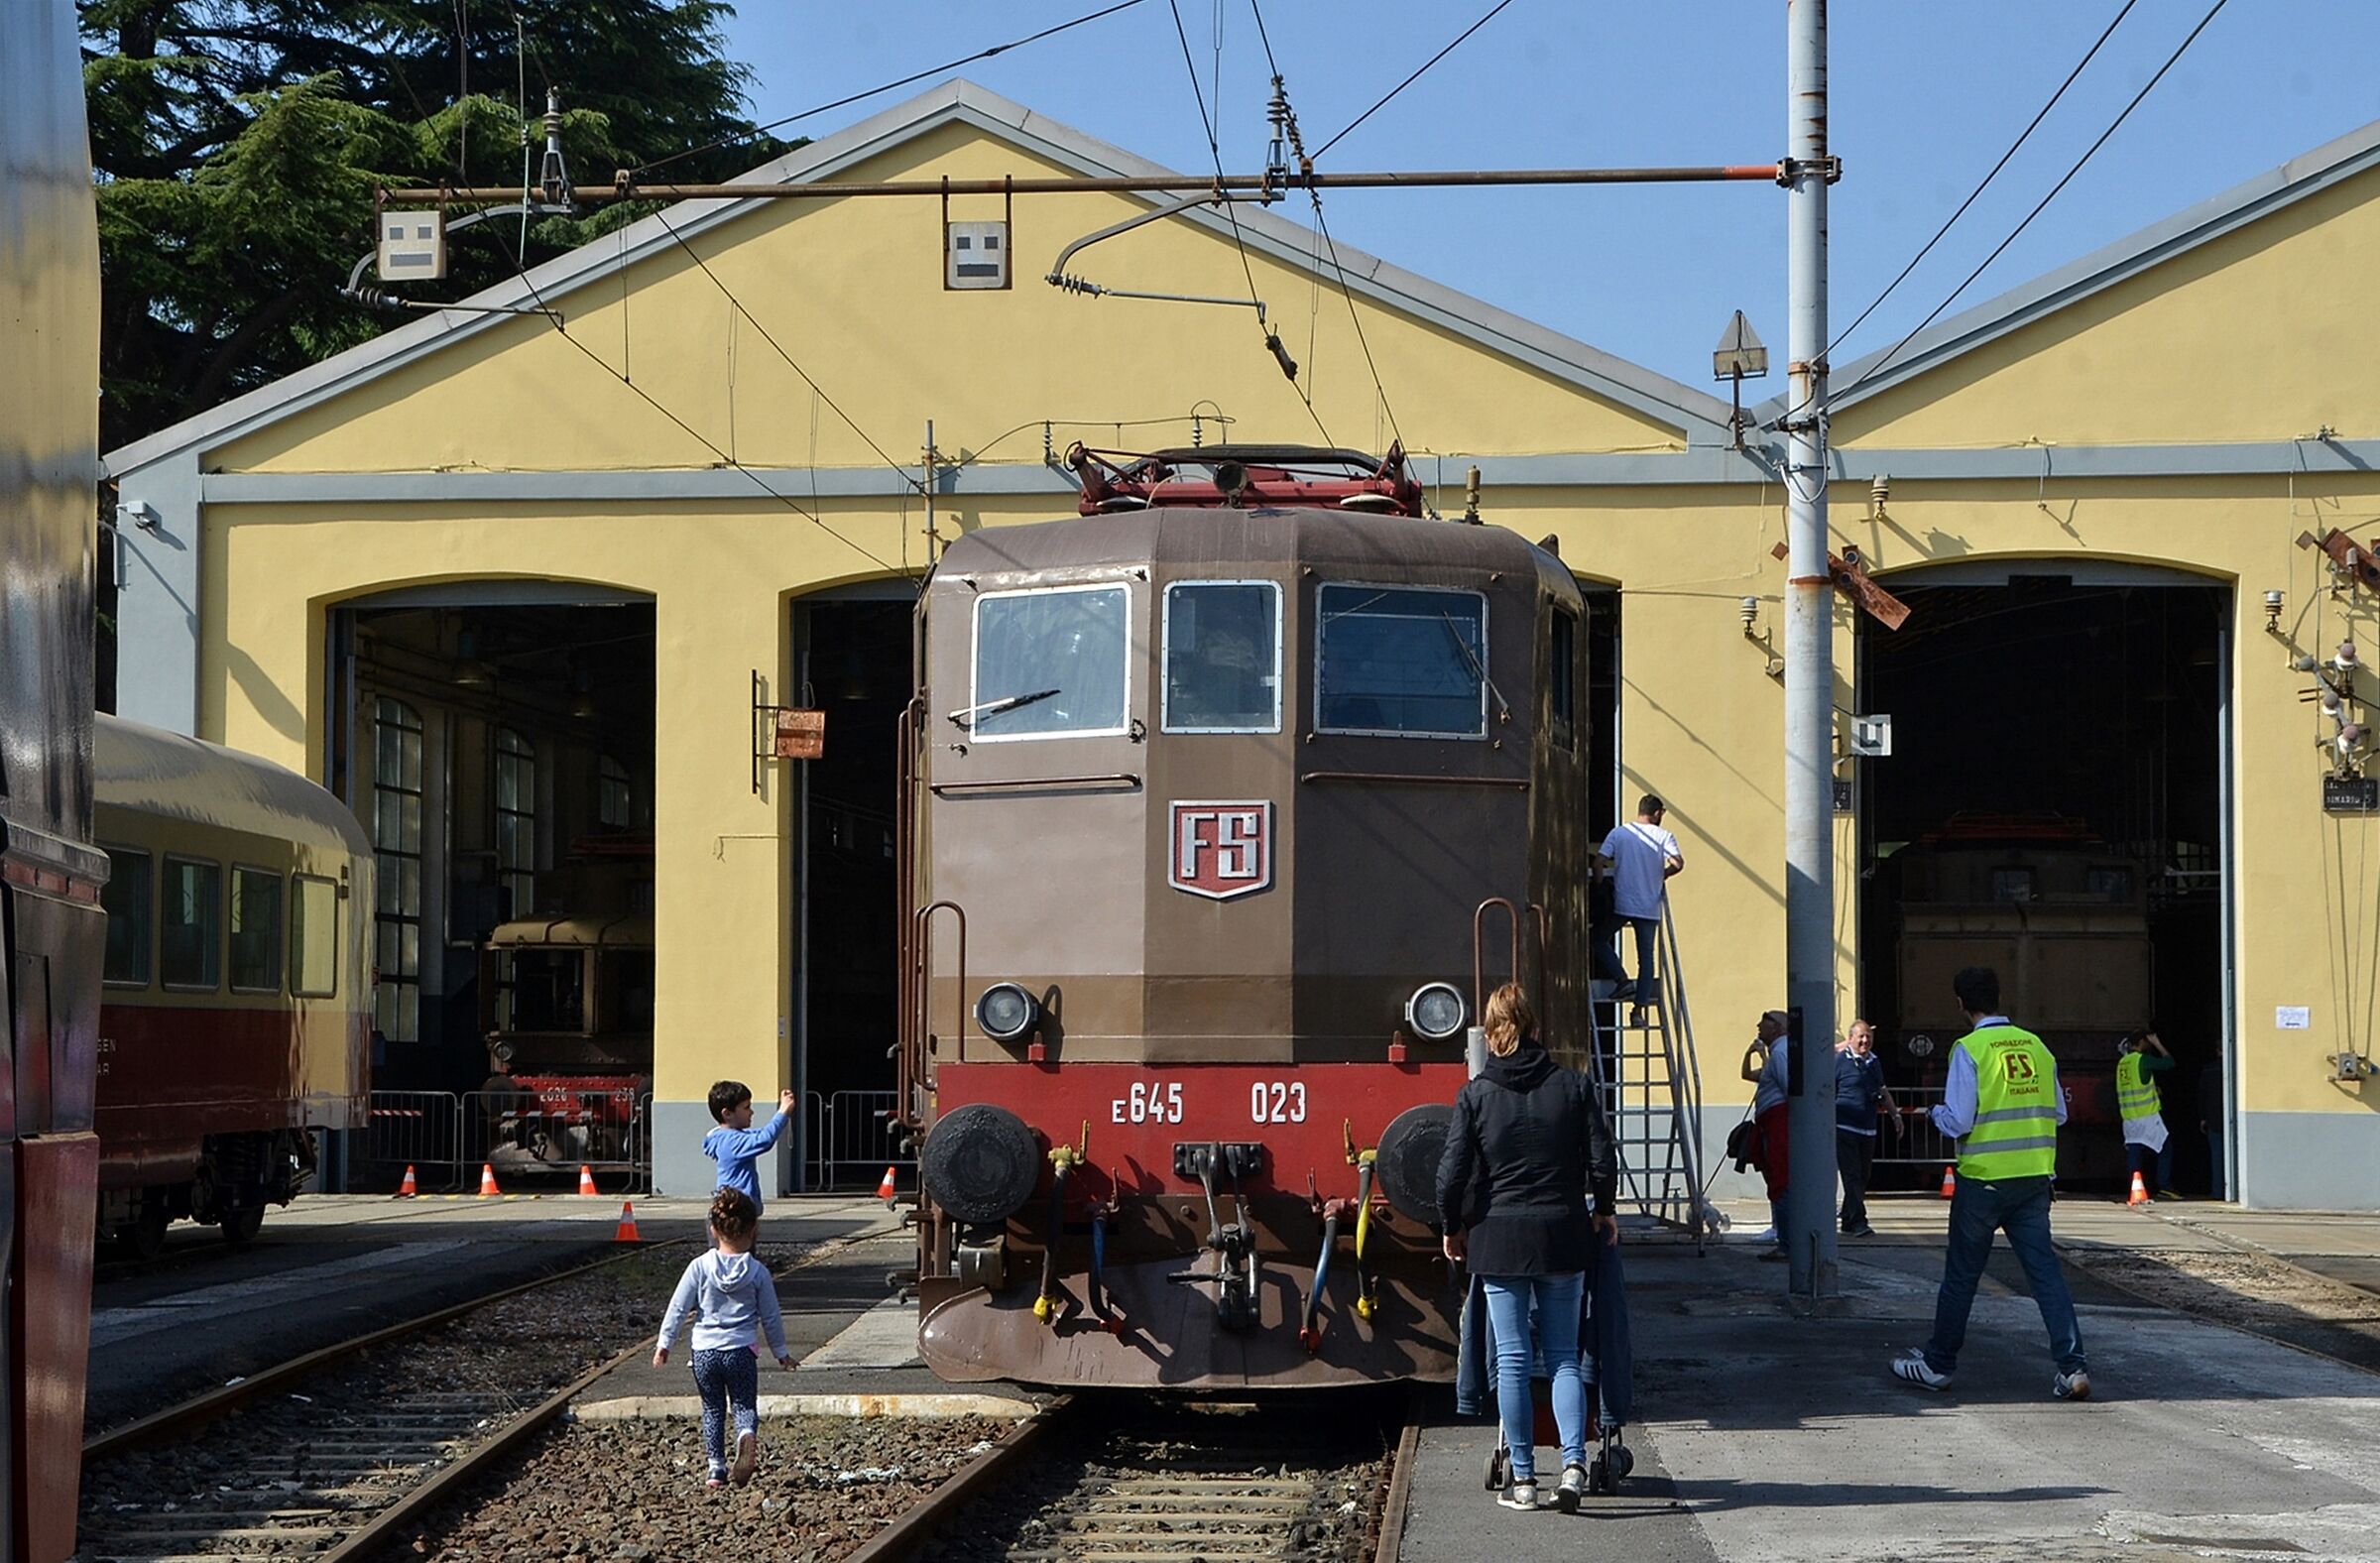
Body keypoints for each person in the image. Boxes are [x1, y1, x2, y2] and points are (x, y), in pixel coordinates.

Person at [1436, 983, 1619, 1514]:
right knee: (1564, 1357)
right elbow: (1601, 1157)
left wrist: (1452, 1226)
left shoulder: (1475, 1095)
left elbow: (1451, 1173)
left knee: (1512, 1359)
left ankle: (1523, 1479)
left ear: (1491, 1033)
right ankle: (1573, 1466)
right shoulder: (1574, 1086)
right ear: (1536, 1028)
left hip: (1499, 1238)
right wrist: (1604, 1208)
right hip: (1563, 1233)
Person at [1889, 966, 2090, 1401]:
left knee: (1962, 1277)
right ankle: (2072, 1367)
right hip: (2034, 1180)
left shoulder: (1970, 1049)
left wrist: (1935, 1114)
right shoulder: (2036, 1046)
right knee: (2046, 1277)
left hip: (1983, 1182)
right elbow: (2059, 1113)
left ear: (1961, 1003)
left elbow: (1959, 1119)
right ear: (1999, 998)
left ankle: (1938, 1365)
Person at [654, 1188, 795, 1488]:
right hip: (741, 1350)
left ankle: (716, 1468)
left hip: (704, 1352)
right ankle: (746, 1434)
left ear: (713, 1230)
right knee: (743, 1405)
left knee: (712, 1408)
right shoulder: (758, 1272)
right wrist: (781, 1352)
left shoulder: (699, 1267)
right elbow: (770, 1317)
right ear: (753, 1230)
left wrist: (665, 1343)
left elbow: (678, 1307)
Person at [1595, 794, 1684, 1012]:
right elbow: (1678, 863)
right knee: (1646, 960)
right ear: (1657, 813)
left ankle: (1622, 979)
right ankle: (1639, 1010)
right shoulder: (1664, 836)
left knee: (1597, 939)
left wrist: (1599, 887)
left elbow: (1598, 863)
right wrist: (1662, 874)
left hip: (1623, 904)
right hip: (1649, 906)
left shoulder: (1620, 833)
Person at [1835, 1019, 1897, 1237]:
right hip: (1844, 1127)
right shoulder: (1839, 1061)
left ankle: (1848, 1219)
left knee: (1863, 1176)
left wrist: (1895, 1115)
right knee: (1851, 1175)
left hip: (1868, 1128)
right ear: (1850, 1038)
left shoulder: (1874, 1062)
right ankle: (1859, 1221)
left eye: (1868, 1037)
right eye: (1860, 1036)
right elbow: (1827, 1090)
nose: (1864, 1041)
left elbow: (1882, 1090)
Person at [704, 1079, 797, 1218]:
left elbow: (761, 1134)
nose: (751, 1112)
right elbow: (764, 1139)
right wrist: (783, 1111)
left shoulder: (726, 1137)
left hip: (736, 1209)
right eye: (746, 1107)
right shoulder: (731, 1142)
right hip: (737, 1210)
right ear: (727, 1113)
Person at [1738, 1010, 1790, 1256]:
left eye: (1765, 1022)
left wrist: (1763, 1056)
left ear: (1778, 1028)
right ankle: (1783, 1235)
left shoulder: (1779, 1053)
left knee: (1780, 1176)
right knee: (1775, 1175)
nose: (1759, 1025)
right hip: (1770, 1122)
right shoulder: (1778, 1052)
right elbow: (1748, 1075)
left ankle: (1786, 1240)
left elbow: (1788, 1087)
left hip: (1777, 1123)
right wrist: (1750, 1054)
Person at [2116, 1028, 2178, 1200]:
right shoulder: (2142, 1060)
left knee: (2134, 1152)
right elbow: (2169, 1063)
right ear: (2142, 1042)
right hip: (2147, 1116)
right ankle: (2164, 1185)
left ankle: (2134, 1187)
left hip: (2129, 1117)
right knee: (2165, 1148)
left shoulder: (2123, 1063)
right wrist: (2158, 1044)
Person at [2198, 1053, 2226, 1201]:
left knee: (2216, 1156)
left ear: (2217, 1051)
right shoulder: (2235, 1066)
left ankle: (2217, 1192)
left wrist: (2203, 1117)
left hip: (2212, 1118)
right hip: (2231, 1118)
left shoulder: (2209, 1069)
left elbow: (2202, 1095)